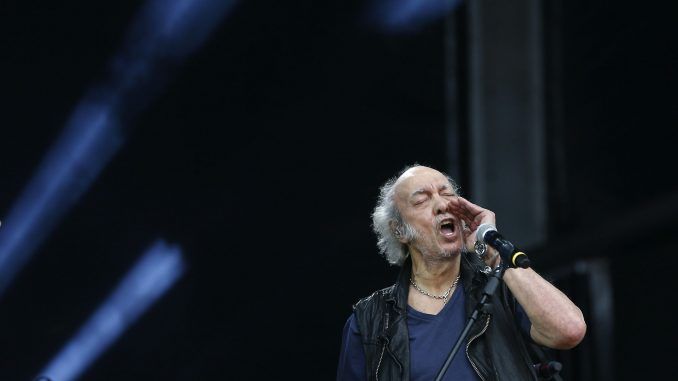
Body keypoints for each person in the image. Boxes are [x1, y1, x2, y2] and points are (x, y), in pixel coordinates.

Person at [336, 165, 586, 381]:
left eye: (447, 194)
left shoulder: (505, 289)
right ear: (399, 230)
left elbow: (569, 330)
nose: (443, 204)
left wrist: (494, 255)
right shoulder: (370, 319)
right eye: (422, 200)